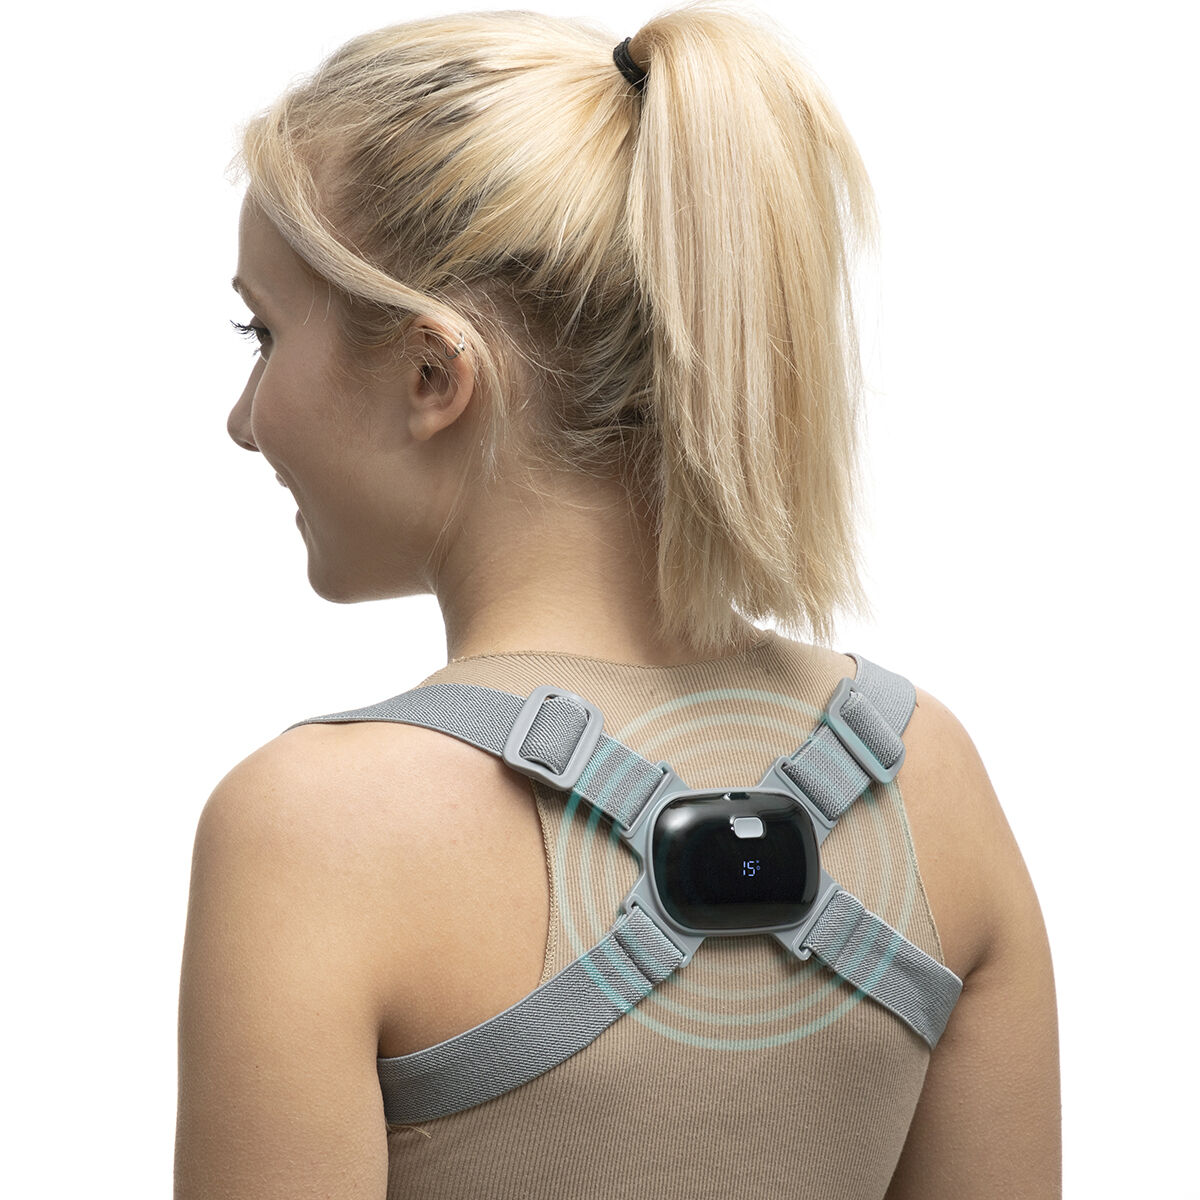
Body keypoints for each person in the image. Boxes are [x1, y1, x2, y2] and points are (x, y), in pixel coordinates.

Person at [174, 5, 1061, 1198]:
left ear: (433, 372)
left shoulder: (313, 829)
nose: (244, 421)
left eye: (263, 332)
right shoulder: (923, 776)